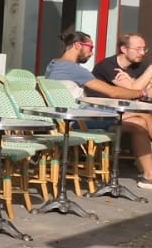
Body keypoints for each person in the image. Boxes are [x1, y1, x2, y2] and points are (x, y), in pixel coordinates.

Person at [43, 29, 152, 189]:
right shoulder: (73, 69)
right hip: (76, 120)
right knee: (144, 116)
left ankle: (149, 175)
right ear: (77, 45)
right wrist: (143, 92)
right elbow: (112, 92)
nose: (92, 53)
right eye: (90, 47)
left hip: (67, 118)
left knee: (139, 125)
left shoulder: (53, 64)